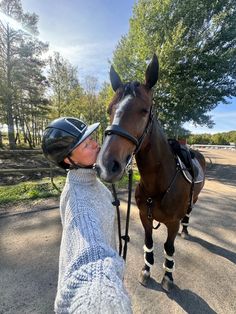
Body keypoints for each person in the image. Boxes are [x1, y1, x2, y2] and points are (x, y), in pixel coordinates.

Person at [42, 117, 132, 314]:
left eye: (92, 138)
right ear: (68, 159)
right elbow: (91, 261)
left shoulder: (89, 180)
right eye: (86, 144)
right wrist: (104, 301)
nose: (96, 144)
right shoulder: (79, 204)